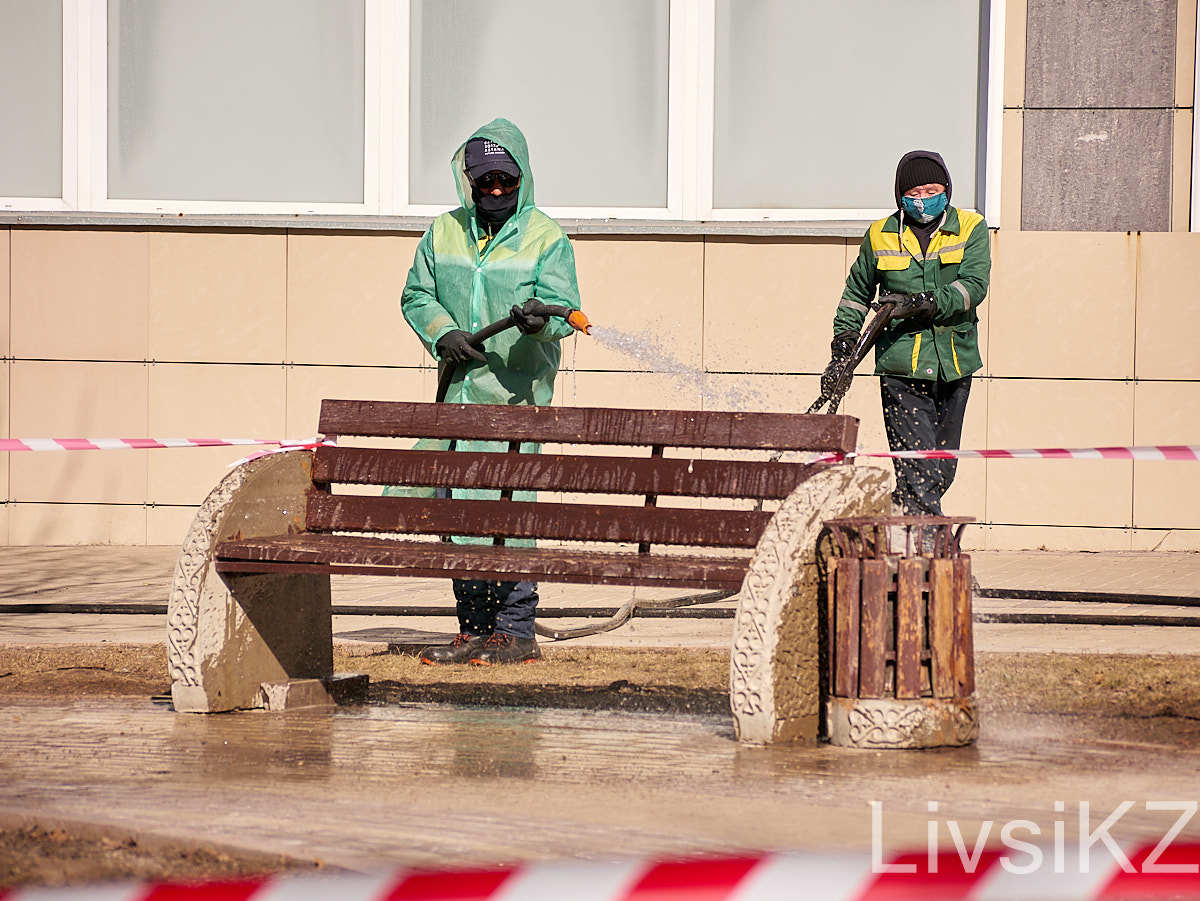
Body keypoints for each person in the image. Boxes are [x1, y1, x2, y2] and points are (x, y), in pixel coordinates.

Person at [399, 118, 582, 665]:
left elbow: (564, 312)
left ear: (522, 179)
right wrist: (443, 333)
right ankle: (473, 627)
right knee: (458, 514)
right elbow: (416, 294)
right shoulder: (444, 231)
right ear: (469, 182)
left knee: (509, 513)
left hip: (516, 404)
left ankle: (515, 630)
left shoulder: (547, 238)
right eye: (485, 183)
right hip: (458, 400)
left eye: (506, 181)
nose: (496, 192)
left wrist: (538, 323)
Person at [825, 150, 990, 519]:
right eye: (913, 193)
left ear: (946, 189)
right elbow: (855, 296)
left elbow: (974, 287)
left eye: (930, 190)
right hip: (903, 370)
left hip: (955, 365)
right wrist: (842, 348)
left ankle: (892, 518)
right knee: (918, 471)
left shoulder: (971, 228)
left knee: (940, 471)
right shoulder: (881, 235)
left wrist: (928, 302)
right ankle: (929, 556)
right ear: (900, 196)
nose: (922, 201)